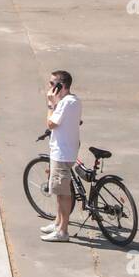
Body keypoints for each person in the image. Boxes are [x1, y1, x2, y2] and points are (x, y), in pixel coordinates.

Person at [40, 70, 81, 243]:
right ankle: (57, 223)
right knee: (59, 191)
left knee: (63, 194)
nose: (49, 87)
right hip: (66, 150)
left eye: (52, 84)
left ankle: (63, 231)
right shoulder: (74, 101)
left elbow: (51, 124)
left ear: (60, 86)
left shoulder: (65, 104)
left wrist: (50, 104)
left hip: (62, 153)